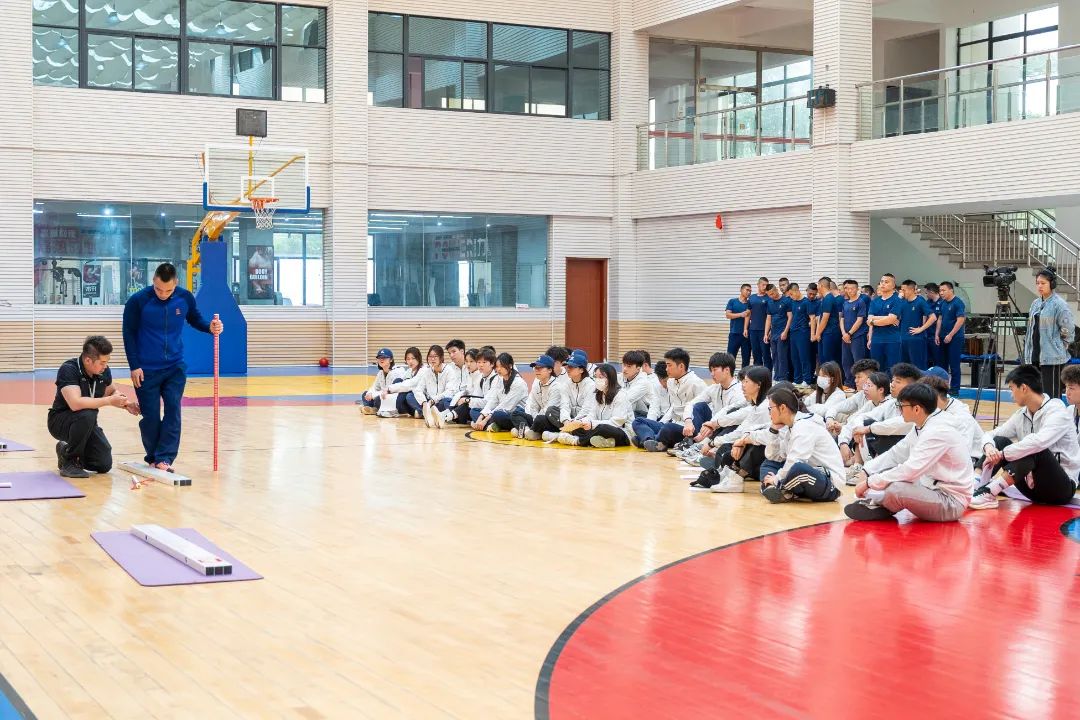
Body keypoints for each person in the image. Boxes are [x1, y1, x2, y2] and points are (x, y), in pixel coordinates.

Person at [122, 262, 223, 472]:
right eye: (158, 289)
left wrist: (210, 327)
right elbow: (128, 333)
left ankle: (165, 458)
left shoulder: (184, 298)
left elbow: (195, 319)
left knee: (173, 410)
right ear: (153, 281)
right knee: (150, 416)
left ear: (176, 283)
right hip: (146, 370)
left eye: (168, 290)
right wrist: (134, 366)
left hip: (174, 367)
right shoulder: (138, 301)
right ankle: (153, 456)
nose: (162, 294)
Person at [844, 383, 974, 522]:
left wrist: (869, 482)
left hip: (951, 501)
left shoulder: (938, 430)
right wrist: (868, 470)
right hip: (930, 487)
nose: (899, 410)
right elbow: (897, 453)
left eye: (902, 406)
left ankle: (883, 503)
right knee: (887, 477)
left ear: (916, 409)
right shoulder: (924, 423)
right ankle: (883, 501)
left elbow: (910, 470)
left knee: (896, 487)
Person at [970, 365, 1080, 509]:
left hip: (1060, 489)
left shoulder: (1058, 412)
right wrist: (990, 448)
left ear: (1023, 388)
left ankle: (989, 492)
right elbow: (991, 434)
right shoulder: (1021, 414)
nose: (1011, 395)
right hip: (1032, 488)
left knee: (1034, 448)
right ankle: (974, 484)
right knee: (999, 441)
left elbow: (1038, 443)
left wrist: (1002, 454)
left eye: (1011, 389)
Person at [47, 336, 140, 478]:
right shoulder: (69, 369)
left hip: (86, 423)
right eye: (102, 362)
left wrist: (126, 404)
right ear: (88, 360)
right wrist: (109, 401)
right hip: (60, 421)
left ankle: (65, 451)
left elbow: (112, 391)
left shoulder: (103, 371)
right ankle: (70, 462)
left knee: (103, 464)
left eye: (107, 362)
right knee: (87, 413)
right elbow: (75, 403)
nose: (105, 366)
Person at [756, 386, 844, 504]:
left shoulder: (804, 426)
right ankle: (778, 488)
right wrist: (773, 432)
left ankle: (778, 487)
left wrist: (777, 478)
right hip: (809, 479)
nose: (769, 413)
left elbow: (795, 461)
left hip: (830, 485)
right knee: (769, 463)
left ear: (782, 408)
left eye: (770, 408)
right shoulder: (791, 428)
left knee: (798, 468)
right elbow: (774, 456)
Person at [693, 366, 772, 492]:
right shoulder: (757, 405)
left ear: (758, 384)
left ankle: (735, 476)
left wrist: (713, 443)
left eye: (746, 381)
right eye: (742, 381)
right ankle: (726, 471)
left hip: (769, 460)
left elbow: (741, 433)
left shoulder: (764, 408)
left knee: (749, 445)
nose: (743, 385)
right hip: (759, 454)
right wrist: (715, 426)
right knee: (728, 452)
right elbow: (736, 421)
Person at [632, 348, 706, 452]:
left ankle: (652, 440)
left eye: (669, 365)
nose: (666, 369)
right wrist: (661, 423)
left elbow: (704, 411)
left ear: (681, 366)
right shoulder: (671, 382)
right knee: (638, 421)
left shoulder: (697, 383)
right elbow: (673, 407)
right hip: (672, 423)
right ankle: (650, 440)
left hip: (688, 429)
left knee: (668, 428)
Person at [553, 364, 634, 448]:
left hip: (622, 432)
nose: (597, 380)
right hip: (600, 428)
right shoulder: (599, 394)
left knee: (602, 428)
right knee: (579, 428)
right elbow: (592, 414)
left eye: (601, 377)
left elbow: (617, 422)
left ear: (610, 378)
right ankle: (606, 442)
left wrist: (592, 424)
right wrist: (581, 422)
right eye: (596, 377)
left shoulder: (621, 395)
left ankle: (577, 441)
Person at [1024, 269, 1075, 396]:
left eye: (1043, 283)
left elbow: (1068, 330)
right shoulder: (1035, 304)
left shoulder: (1059, 304)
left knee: (1051, 396)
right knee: (1036, 395)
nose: (1039, 286)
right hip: (1034, 357)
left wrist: (1060, 346)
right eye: (1038, 283)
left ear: (1051, 284)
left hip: (1052, 358)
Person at [686, 352, 745, 443]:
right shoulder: (714, 388)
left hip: (728, 427)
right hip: (712, 425)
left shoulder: (739, 390)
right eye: (711, 370)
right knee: (699, 406)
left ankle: (701, 442)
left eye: (715, 370)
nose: (712, 374)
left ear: (727, 370)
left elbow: (731, 417)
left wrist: (712, 425)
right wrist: (688, 421)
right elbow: (690, 404)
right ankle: (693, 440)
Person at [471, 352, 528, 432]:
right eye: (497, 366)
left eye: (502, 366)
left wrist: (485, 420)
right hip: (500, 410)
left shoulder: (518, 383)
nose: (498, 369)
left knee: (498, 415)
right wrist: (480, 417)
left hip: (514, 413)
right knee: (474, 410)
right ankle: (492, 425)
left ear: (510, 366)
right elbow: (493, 400)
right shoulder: (499, 379)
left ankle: (489, 425)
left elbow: (506, 405)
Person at [511, 354, 564, 440]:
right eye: (535, 368)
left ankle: (528, 430)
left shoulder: (556, 386)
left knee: (541, 418)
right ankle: (527, 431)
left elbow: (548, 410)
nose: (536, 370)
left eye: (540, 368)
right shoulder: (537, 385)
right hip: (538, 418)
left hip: (552, 420)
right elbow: (533, 407)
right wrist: (534, 419)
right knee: (515, 413)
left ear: (550, 370)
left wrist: (535, 420)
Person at [866, 273, 902, 374]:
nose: (883, 284)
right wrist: (887, 318)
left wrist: (873, 321)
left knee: (893, 369)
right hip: (876, 339)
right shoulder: (875, 301)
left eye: (886, 282)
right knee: (876, 369)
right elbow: (869, 319)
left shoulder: (897, 300)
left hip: (892, 340)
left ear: (893, 285)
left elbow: (891, 319)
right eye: (882, 281)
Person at [897, 279, 937, 370]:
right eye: (901, 290)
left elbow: (933, 317)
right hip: (903, 339)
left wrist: (921, 329)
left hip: (916, 339)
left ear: (911, 290)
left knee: (918, 367)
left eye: (904, 290)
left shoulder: (920, 301)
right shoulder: (902, 302)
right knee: (904, 368)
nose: (902, 292)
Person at [936, 281, 966, 396]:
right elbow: (940, 319)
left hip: (955, 338)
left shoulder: (958, 303)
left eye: (943, 290)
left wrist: (951, 335)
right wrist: (937, 334)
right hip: (942, 337)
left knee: (954, 364)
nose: (941, 293)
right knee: (942, 364)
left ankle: (955, 389)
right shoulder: (942, 303)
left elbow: (960, 320)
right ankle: (943, 388)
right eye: (940, 290)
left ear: (951, 290)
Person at [839, 279, 870, 388]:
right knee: (846, 361)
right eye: (847, 288)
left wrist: (849, 333)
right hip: (845, 337)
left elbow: (860, 320)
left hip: (857, 336)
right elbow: (842, 319)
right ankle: (849, 384)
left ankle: (860, 386)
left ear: (857, 289)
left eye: (852, 288)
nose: (850, 290)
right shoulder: (845, 303)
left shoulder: (860, 302)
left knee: (858, 362)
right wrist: (844, 333)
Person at [359, 348, 407, 415]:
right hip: (383, 397)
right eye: (379, 357)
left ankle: (373, 408)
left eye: (384, 357)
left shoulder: (397, 372)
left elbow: (390, 392)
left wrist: (373, 395)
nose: (381, 359)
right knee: (365, 394)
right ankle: (373, 408)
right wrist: (369, 393)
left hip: (396, 400)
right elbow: (375, 387)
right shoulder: (380, 373)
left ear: (391, 360)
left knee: (378, 399)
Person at [378, 346, 423, 418]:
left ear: (419, 358)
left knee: (409, 395)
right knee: (398, 381)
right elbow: (400, 383)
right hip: (410, 403)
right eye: (408, 359)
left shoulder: (423, 370)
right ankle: (390, 409)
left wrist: (389, 389)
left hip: (421, 400)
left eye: (413, 358)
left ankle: (420, 411)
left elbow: (410, 384)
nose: (410, 361)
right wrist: (387, 390)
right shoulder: (409, 371)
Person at [763, 284, 793, 382]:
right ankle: (776, 377)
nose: (772, 296)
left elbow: (790, 317)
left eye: (773, 293)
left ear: (776, 290)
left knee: (782, 356)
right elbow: (768, 319)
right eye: (769, 295)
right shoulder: (769, 302)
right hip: (773, 333)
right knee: (775, 355)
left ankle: (782, 378)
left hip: (782, 332)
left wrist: (785, 331)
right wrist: (766, 333)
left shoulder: (786, 301)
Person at [787, 283, 814, 388]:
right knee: (794, 357)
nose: (790, 296)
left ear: (796, 291)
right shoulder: (792, 302)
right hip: (793, 332)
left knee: (804, 357)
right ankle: (797, 379)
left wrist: (812, 334)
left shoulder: (806, 302)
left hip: (803, 333)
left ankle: (807, 380)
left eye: (791, 294)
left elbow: (812, 318)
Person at [814, 277, 843, 366]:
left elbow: (825, 318)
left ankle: (832, 375)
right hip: (826, 332)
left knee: (828, 360)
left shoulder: (829, 298)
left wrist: (817, 333)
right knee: (823, 359)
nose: (817, 287)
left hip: (830, 332)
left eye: (818, 285)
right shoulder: (825, 298)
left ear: (821, 285)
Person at [619, 351, 654, 418]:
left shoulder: (643, 382)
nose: (624, 369)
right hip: (632, 411)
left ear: (638, 369)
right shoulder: (621, 376)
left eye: (629, 366)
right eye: (624, 365)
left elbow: (627, 399)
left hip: (646, 413)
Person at [725, 284, 753, 368]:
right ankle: (729, 374)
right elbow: (728, 315)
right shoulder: (732, 301)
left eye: (750, 291)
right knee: (730, 358)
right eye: (747, 290)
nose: (749, 292)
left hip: (746, 335)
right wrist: (740, 314)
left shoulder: (750, 303)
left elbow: (750, 316)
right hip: (734, 334)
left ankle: (744, 375)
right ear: (741, 290)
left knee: (746, 358)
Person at [747, 277, 772, 368]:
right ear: (758, 285)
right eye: (763, 285)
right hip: (753, 330)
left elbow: (772, 315)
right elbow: (748, 314)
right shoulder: (752, 298)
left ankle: (768, 373)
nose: (765, 287)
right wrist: (745, 328)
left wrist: (770, 330)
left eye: (766, 285)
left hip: (764, 330)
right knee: (756, 353)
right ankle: (757, 374)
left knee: (766, 353)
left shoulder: (769, 298)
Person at [923, 283, 942, 368]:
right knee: (927, 360)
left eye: (926, 293)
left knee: (938, 360)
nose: (926, 295)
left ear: (931, 292)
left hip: (937, 336)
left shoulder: (942, 302)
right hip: (927, 334)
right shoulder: (927, 303)